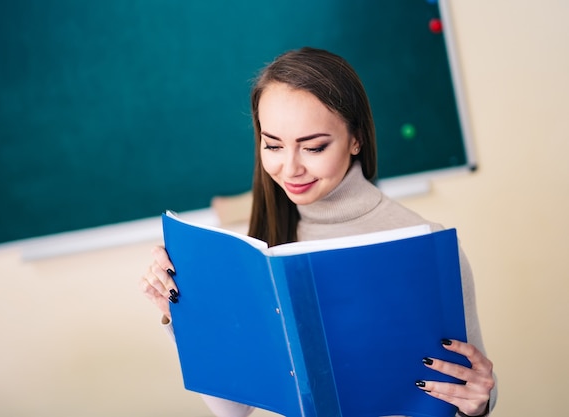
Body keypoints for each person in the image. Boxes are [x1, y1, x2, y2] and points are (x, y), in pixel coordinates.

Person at [140, 47, 497, 417]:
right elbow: (233, 410)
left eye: (313, 147)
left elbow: (465, 390)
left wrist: (478, 402)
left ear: (356, 139)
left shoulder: (424, 245)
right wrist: (182, 316)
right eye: (273, 145)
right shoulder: (260, 249)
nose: (290, 168)